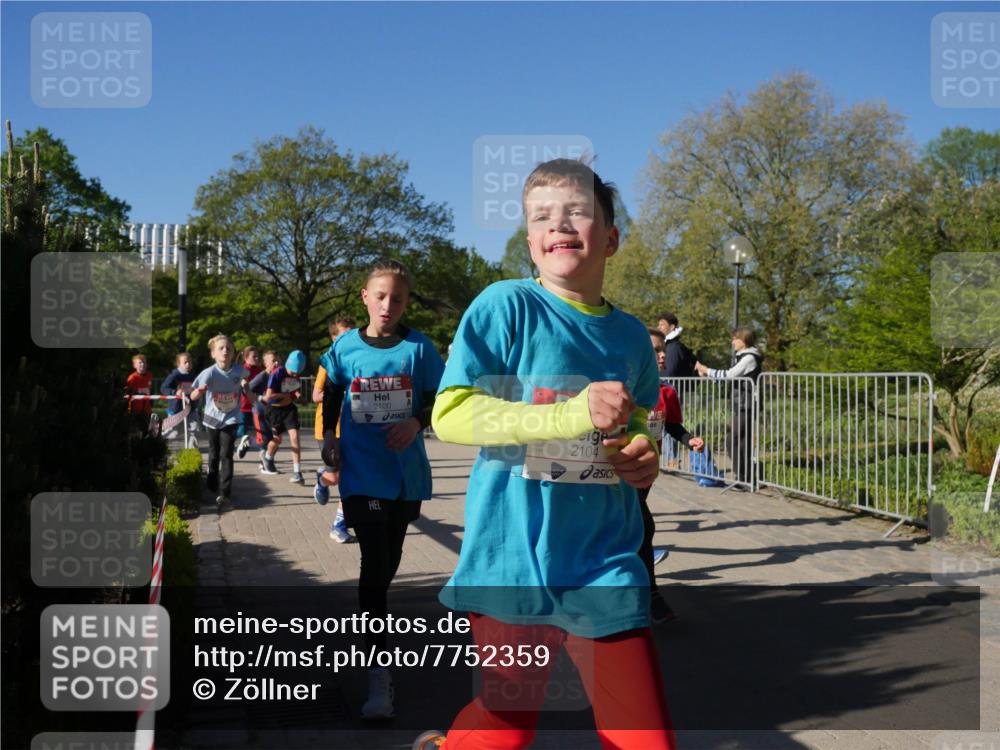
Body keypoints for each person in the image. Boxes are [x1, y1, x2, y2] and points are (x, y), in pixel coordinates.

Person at [418, 159, 675, 750]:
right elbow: (450, 412)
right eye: (541, 216)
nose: (558, 223)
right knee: (506, 728)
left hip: (606, 562)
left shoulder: (633, 336)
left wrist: (642, 457)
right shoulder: (506, 306)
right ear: (531, 241)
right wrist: (568, 413)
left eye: (577, 211)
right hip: (512, 560)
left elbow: (638, 430)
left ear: (610, 238)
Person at [318, 258, 445, 720]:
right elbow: (332, 390)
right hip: (361, 470)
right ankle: (378, 674)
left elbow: (441, 396)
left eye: (398, 297)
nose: (388, 304)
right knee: (373, 563)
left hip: (404, 473)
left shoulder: (418, 347)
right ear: (365, 298)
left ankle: (375, 626)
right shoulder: (345, 346)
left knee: (387, 565)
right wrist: (330, 437)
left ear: (406, 302)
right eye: (381, 295)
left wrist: (415, 420)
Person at [643, 329, 705, 624]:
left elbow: (673, 427)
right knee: (643, 527)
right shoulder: (620, 387)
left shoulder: (666, 392)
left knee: (638, 529)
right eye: (655, 350)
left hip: (646, 474)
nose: (662, 355)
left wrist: (689, 440)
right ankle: (651, 597)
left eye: (662, 350)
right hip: (615, 474)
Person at [695, 326, 762, 485]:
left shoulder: (749, 358)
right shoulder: (745, 356)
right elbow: (730, 377)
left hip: (747, 404)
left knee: (733, 441)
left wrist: (706, 369)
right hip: (743, 403)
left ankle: (744, 478)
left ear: (743, 340)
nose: (732, 342)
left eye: (734, 339)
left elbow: (729, 375)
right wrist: (708, 374)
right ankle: (745, 478)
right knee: (741, 441)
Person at [190, 335, 248, 508]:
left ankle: (225, 494)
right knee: (214, 452)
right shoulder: (209, 373)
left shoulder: (240, 371)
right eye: (221, 348)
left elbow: (246, 386)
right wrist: (200, 392)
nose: (225, 351)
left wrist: (247, 389)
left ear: (233, 354)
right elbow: (192, 395)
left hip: (231, 417)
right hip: (212, 417)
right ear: (213, 353)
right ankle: (212, 477)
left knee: (227, 454)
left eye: (228, 348)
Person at [312, 317, 356, 543]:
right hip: (326, 429)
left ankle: (339, 523)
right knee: (336, 476)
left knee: (348, 476)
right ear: (333, 338)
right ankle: (321, 479)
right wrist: (335, 396)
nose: (349, 339)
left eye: (352, 333)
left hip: (350, 428)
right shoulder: (327, 362)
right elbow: (316, 394)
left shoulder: (358, 360)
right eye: (343, 335)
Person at [263, 350, 307, 483]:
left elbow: (294, 390)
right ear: (287, 365)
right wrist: (284, 395)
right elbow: (268, 396)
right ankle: (268, 456)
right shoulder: (277, 373)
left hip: (289, 410)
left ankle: (297, 472)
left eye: (297, 373)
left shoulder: (295, 375)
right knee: (277, 440)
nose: (294, 375)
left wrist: (298, 397)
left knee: (295, 438)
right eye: (292, 372)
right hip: (274, 410)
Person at [249, 351, 279, 473]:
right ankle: (266, 464)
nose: (276, 364)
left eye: (277, 361)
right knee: (264, 440)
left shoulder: (278, 375)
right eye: (273, 361)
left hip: (273, 412)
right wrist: (261, 398)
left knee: (274, 439)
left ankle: (265, 463)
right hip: (259, 411)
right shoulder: (262, 376)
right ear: (265, 363)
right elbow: (247, 389)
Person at [160, 352, 195, 438]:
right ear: (178, 364)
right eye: (185, 362)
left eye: (190, 362)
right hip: (176, 409)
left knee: (193, 431)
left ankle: (192, 450)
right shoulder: (174, 375)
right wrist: (175, 392)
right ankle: (159, 442)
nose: (188, 364)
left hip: (191, 408)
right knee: (173, 433)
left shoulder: (193, 375)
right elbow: (163, 388)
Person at [236, 346, 263, 459]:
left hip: (256, 407)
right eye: (254, 356)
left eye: (258, 356)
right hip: (243, 406)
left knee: (261, 434)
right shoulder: (241, 369)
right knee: (240, 432)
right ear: (246, 358)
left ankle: (264, 458)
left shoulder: (260, 370)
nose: (257, 358)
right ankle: (246, 442)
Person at [655, 313, 696, 378]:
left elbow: (669, 373)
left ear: (672, 327)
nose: (658, 327)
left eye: (662, 324)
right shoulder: (670, 345)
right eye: (659, 325)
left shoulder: (674, 347)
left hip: (676, 387)